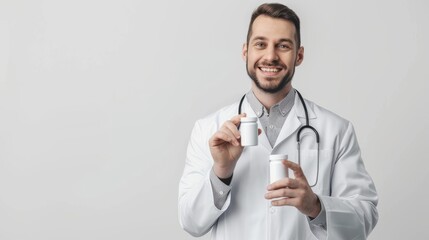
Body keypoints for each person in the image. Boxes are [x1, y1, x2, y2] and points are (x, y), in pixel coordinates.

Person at [178, 3, 378, 240]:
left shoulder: (336, 130)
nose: (271, 56)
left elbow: (364, 219)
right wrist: (221, 171)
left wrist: (316, 206)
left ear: (299, 55)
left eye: (283, 46)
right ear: (246, 52)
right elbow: (191, 223)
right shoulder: (208, 129)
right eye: (260, 44)